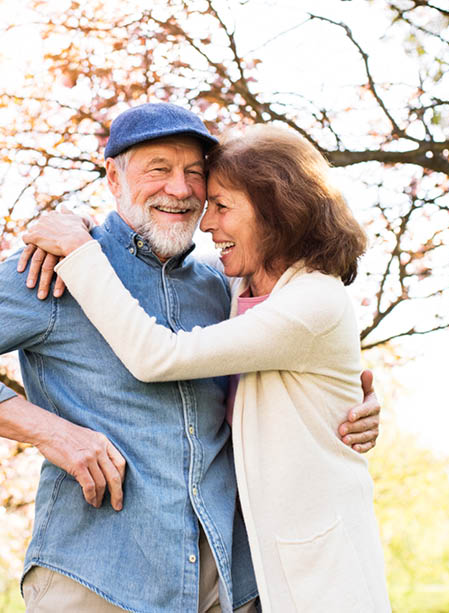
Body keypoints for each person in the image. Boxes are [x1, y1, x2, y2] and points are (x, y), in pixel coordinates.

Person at [0, 104, 380, 613]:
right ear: (113, 177)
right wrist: (52, 433)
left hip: (227, 585)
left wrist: (352, 403)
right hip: (97, 579)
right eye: (158, 169)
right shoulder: (55, 269)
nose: (181, 190)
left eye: (194, 174)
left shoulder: (224, 284)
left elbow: (298, 353)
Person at [20, 123, 391, 612]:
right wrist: (95, 230)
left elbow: (160, 356)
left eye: (222, 205)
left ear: (275, 209)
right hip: (261, 567)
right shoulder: (241, 290)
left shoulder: (314, 299)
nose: (207, 222)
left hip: (320, 573)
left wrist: (83, 257)